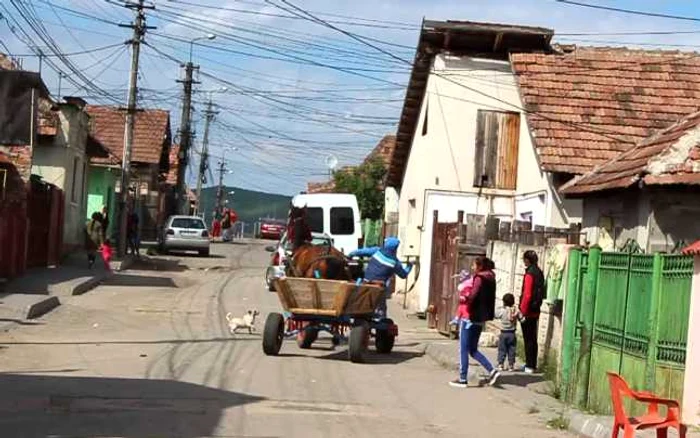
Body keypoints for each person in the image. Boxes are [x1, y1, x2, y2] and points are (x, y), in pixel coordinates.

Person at [449, 256, 499, 388]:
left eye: (474, 265)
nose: (472, 268)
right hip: (481, 318)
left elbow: (473, 295)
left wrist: (465, 299)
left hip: (470, 317)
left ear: (480, 267)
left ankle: (462, 378)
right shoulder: (491, 278)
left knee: (463, 349)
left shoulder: (479, 278)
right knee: (473, 350)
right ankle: (492, 370)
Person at [352, 237, 412, 319]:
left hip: (365, 283)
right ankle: (380, 319)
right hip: (379, 287)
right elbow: (403, 275)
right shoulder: (395, 263)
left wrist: (350, 255)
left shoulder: (377, 251)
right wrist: (409, 266)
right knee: (381, 309)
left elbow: (360, 252)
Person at [519, 250, 545, 374]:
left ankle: (529, 365)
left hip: (528, 311)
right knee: (533, 338)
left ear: (527, 260)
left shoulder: (530, 273)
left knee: (528, 338)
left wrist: (522, 311)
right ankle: (532, 364)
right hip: (536, 309)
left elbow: (527, 294)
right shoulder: (539, 272)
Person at [495, 293, 524, 371]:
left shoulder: (502, 311)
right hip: (512, 334)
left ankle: (501, 364)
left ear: (504, 302)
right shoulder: (516, 311)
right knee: (512, 350)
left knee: (502, 349)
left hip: (503, 333)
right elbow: (522, 319)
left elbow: (495, 315)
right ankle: (511, 365)